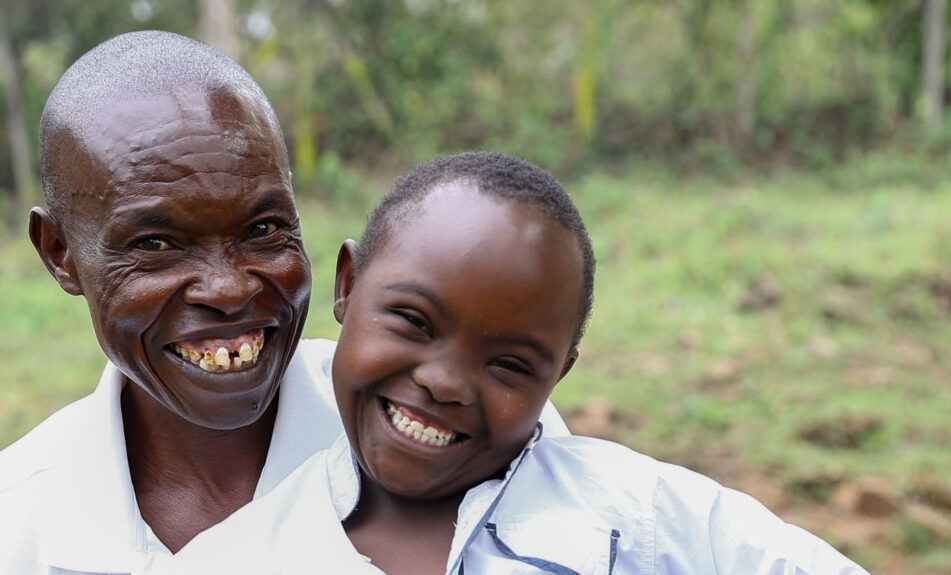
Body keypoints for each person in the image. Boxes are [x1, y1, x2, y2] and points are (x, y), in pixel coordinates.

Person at [0, 31, 572, 574]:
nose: (228, 289)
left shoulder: (464, 433)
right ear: (60, 253)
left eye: (264, 228)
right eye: (155, 244)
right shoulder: (19, 525)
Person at [159, 151, 869, 574]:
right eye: (412, 320)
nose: (443, 380)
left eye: (509, 365)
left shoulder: (640, 515)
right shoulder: (242, 557)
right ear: (346, 285)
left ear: (558, 375)